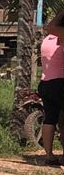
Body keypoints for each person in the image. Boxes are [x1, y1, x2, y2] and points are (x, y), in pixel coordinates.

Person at [38, 10, 64, 166]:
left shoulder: (47, 39)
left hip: (46, 82)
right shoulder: (61, 38)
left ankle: (49, 155)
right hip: (60, 83)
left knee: (50, 119)